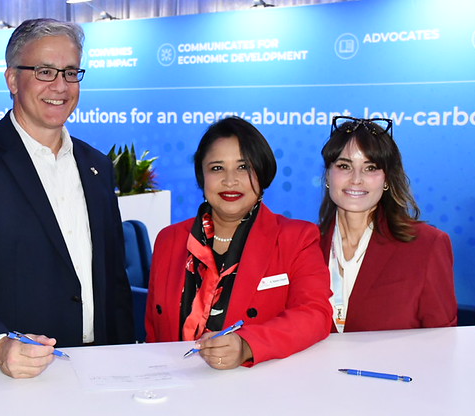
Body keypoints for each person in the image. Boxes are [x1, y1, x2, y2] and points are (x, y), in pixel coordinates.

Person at [0, 18, 134, 379]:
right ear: (11, 79)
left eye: (70, 72)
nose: (60, 86)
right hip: (10, 373)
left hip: (97, 370)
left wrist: (125, 358)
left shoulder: (97, 166)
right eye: (45, 71)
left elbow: (113, 280)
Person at [145, 116, 332, 369]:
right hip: (177, 388)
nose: (230, 180)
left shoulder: (297, 238)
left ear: (262, 172)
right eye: (217, 168)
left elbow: (314, 315)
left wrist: (247, 345)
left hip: (256, 390)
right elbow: (154, 333)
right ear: (202, 176)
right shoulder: (170, 239)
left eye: (243, 167)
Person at [318, 116, 457, 332]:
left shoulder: (427, 245)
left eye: (370, 167)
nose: (356, 179)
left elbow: (442, 342)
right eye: (344, 165)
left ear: (387, 179)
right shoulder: (304, 245)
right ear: (328, 175)